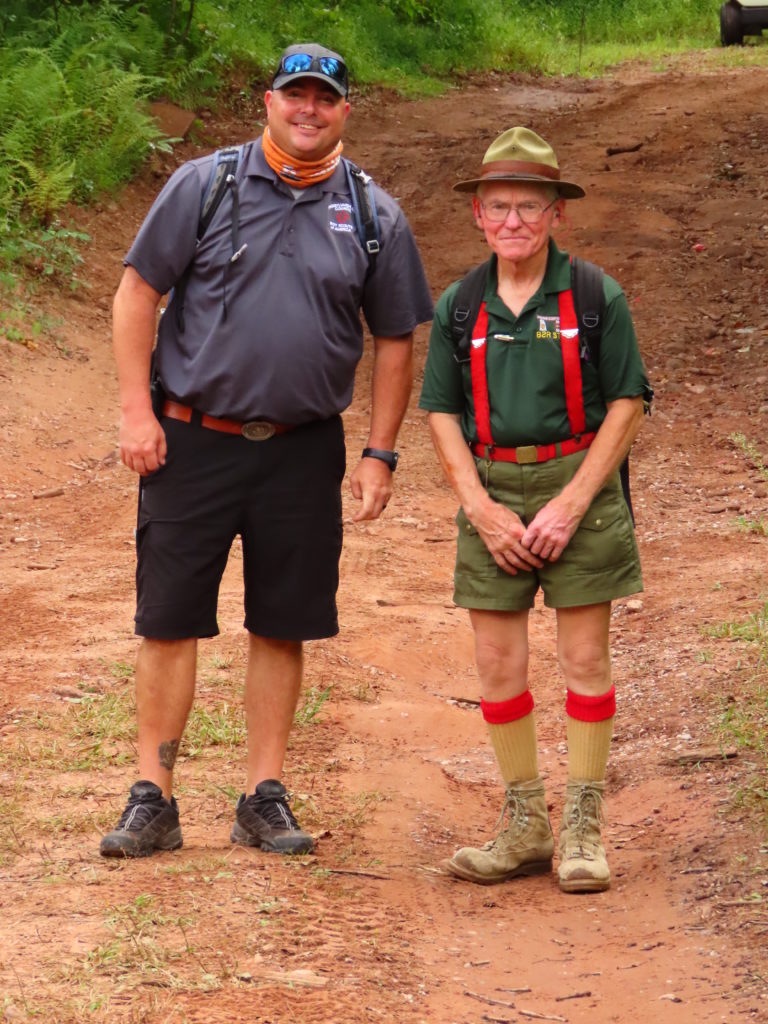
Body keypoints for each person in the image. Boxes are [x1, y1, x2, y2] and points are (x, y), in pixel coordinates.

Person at [101, 43, 433, 859]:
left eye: (324, 98)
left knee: (282, 622)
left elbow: (396, 340)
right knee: (169, 621)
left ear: (345, 110)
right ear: (268, 101)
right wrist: (136, 412)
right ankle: (154, 796)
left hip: (303, 448)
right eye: (295, 96)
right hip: (191, 440)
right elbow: (138, 293)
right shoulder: (204, 185)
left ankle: (263, 796)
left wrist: (379, 452)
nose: (308, 110)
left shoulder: (376, 214)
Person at [419, 127, 651, 893]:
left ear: (557, 214)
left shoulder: (592, 296)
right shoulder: (460, 306)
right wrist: (481, 508)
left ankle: (583, 826)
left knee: (584, 659)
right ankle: (524, 822)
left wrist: (576, 501)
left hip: (579, 487)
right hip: (495, 494)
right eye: (499, 207)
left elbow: (626, 401)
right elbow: (442, 415)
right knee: (497, 664)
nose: (513, 221)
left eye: (530, 206)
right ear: (478, 217)